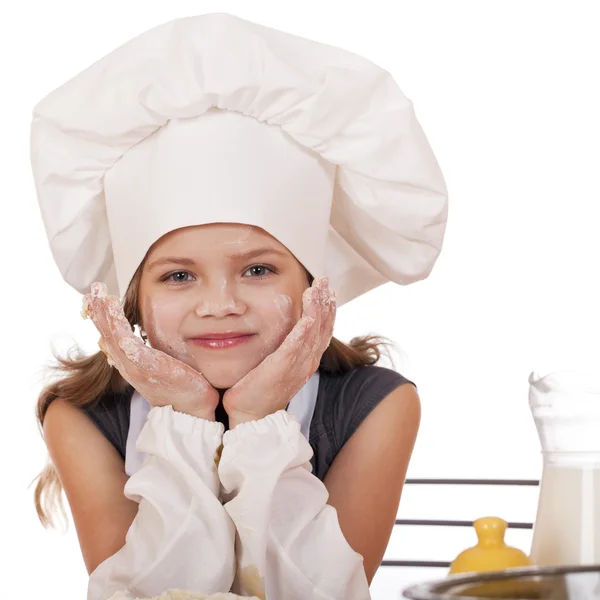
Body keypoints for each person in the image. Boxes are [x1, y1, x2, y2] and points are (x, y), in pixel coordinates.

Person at [29, 12, 448, 600]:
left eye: (257, 269)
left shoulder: (377, 407)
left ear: (312, 286)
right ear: (133, 302)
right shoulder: (81, 418)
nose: (219, 305)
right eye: (178, 276)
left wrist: (258, 421)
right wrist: (184, 419)